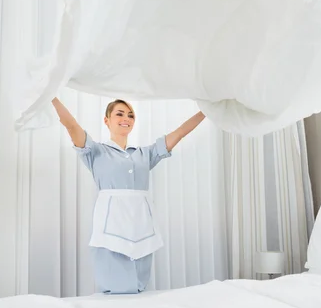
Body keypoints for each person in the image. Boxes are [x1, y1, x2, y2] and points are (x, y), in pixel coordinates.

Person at [51, 97, 206, 294]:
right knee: (114, 288)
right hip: (110, 229)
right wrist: (52, 98)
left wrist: (207, 111)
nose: (126, 118)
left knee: (138, 290)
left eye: (131, 115)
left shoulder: (145, 153)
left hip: (141, 228)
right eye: (120, 114)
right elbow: (71, 126)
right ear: (106, 120)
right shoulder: (96, 151)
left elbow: (181, 132)